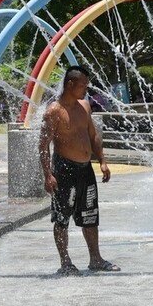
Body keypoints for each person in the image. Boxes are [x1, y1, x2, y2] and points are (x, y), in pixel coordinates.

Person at [39, 65, 120, 276]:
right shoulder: (54, 111)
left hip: (86, 170)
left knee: (91, 216)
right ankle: (65, 262)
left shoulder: (85, 106)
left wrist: (102, 160)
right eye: (83, 85)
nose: (86, 89)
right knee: (62, 218)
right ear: (70, 84)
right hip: (64, 169)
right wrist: (48, 174)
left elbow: (93, 134)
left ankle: (96, 259)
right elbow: (43, 145)